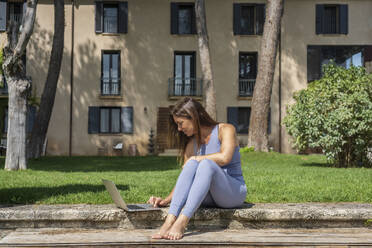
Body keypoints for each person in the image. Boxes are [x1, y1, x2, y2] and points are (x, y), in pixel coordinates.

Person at [147, 97, 247, 240]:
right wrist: (166, 200)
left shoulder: (225, 129)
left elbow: (225, 158)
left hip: (232, 193)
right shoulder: (191, 144)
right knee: (193, 164)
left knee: (205, 163)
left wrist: (197, 158)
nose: (179, 129)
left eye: (180, 123)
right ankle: (169, 221)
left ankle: (182, 222)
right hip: (207, 197)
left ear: (193, 117)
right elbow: (186, 179)